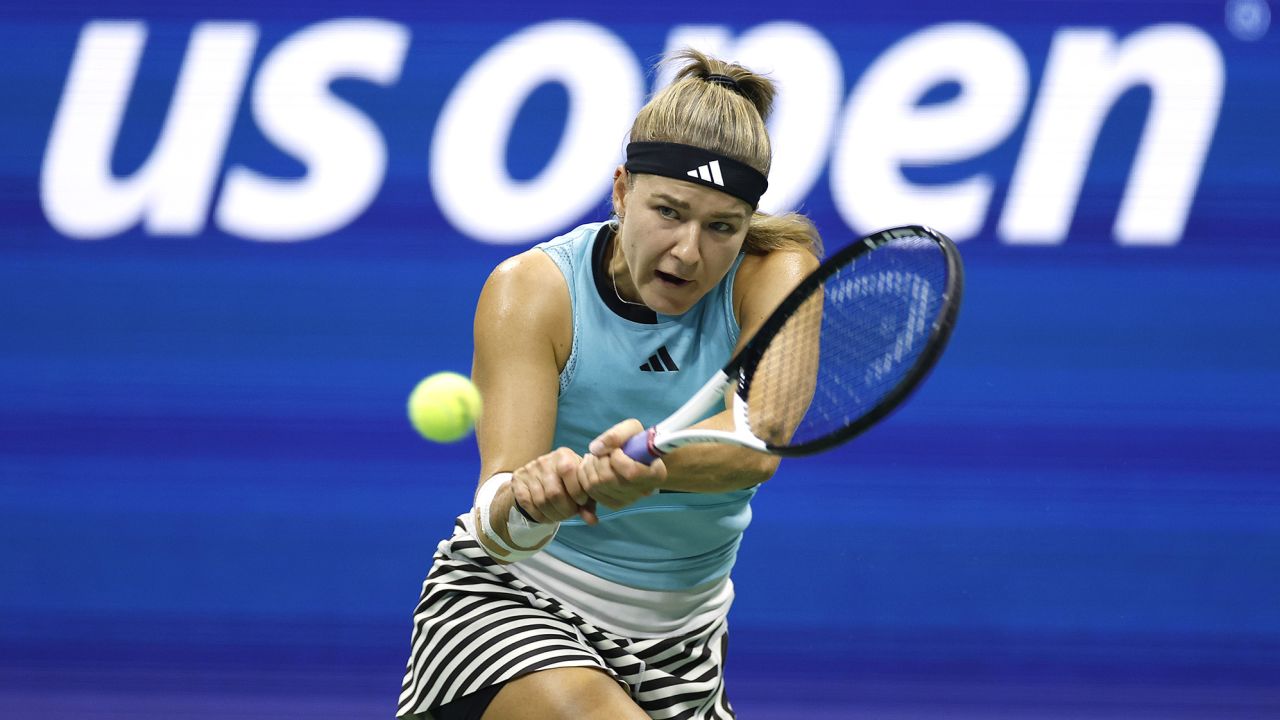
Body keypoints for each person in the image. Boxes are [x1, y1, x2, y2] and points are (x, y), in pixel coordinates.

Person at [398, 49, 823, 720]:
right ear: (622, 190)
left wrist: (648, 462)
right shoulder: (532, 291)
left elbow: (758, 441)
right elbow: (497, 514)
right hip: (514, 607)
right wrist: (535, 501)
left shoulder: (776, 274)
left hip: (683, 646)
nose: (689, 250)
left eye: (722, 227)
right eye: (668, 211)